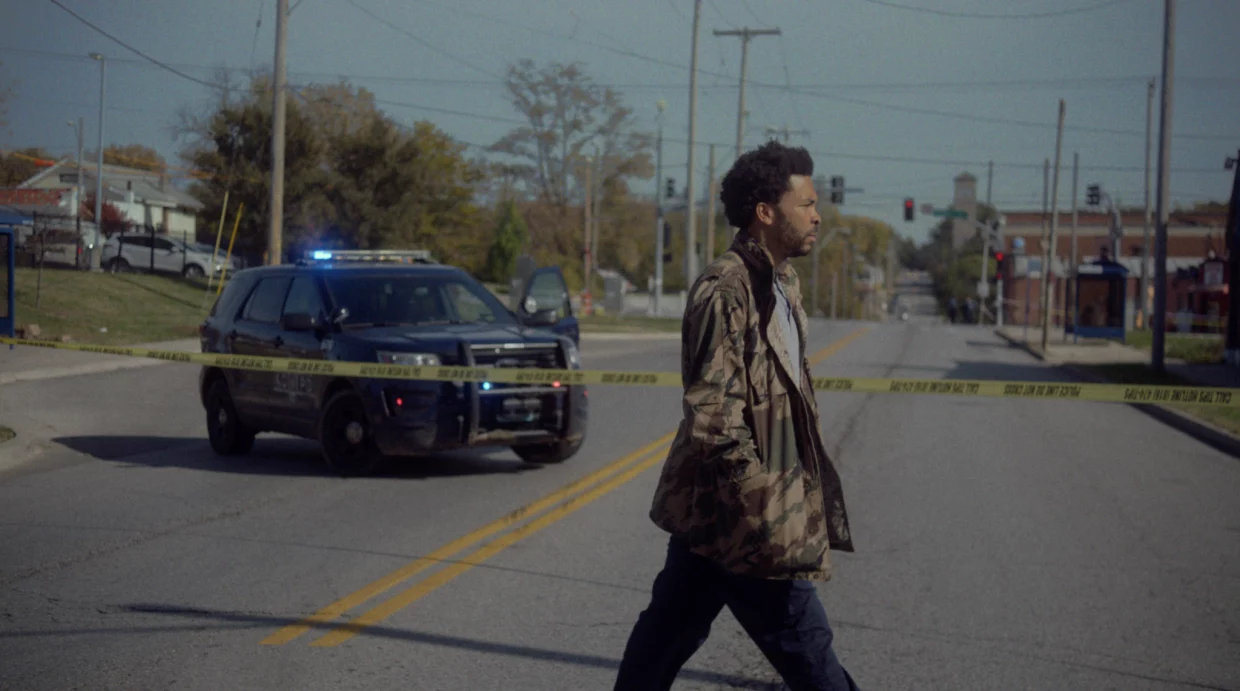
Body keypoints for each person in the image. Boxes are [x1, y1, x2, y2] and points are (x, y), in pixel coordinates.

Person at [612, 141, 860, 691]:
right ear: (766, 213)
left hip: (727, 508)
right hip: (743, 510)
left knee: (667, 633)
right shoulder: (727, 289)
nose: (817, 215)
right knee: (808, 648)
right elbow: (713, 413)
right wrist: (765, 503)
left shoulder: (781, 282)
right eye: (806, 204)